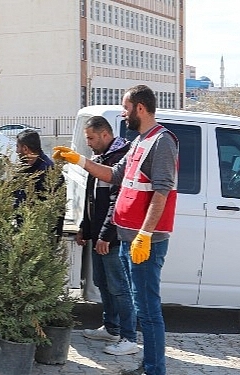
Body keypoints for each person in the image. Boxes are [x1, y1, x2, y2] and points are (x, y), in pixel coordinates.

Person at [53, 85, 178, 375]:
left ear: (141, 108)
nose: (123, 113)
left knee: (148, 310)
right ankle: (148, 365)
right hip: (127, 237)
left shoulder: (162, 141)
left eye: (126, 108)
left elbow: (162, 191)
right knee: (139, 304)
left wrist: (145, 234)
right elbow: (115, 175)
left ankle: (155, 369)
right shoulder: (139, 142)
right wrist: (79, 159)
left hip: (144, 240)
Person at [77, 116, 139, 356]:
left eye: (91, 138)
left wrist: (105, 235)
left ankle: (128, 337)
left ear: (105, 134)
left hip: (113, 238)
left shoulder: (121, 159)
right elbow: (90, 197)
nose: (89, 143)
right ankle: (111, 327)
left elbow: (118, 203)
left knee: (120, 287)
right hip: (98, 236)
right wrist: (86, 226)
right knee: (103, 283)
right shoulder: (99, 159)